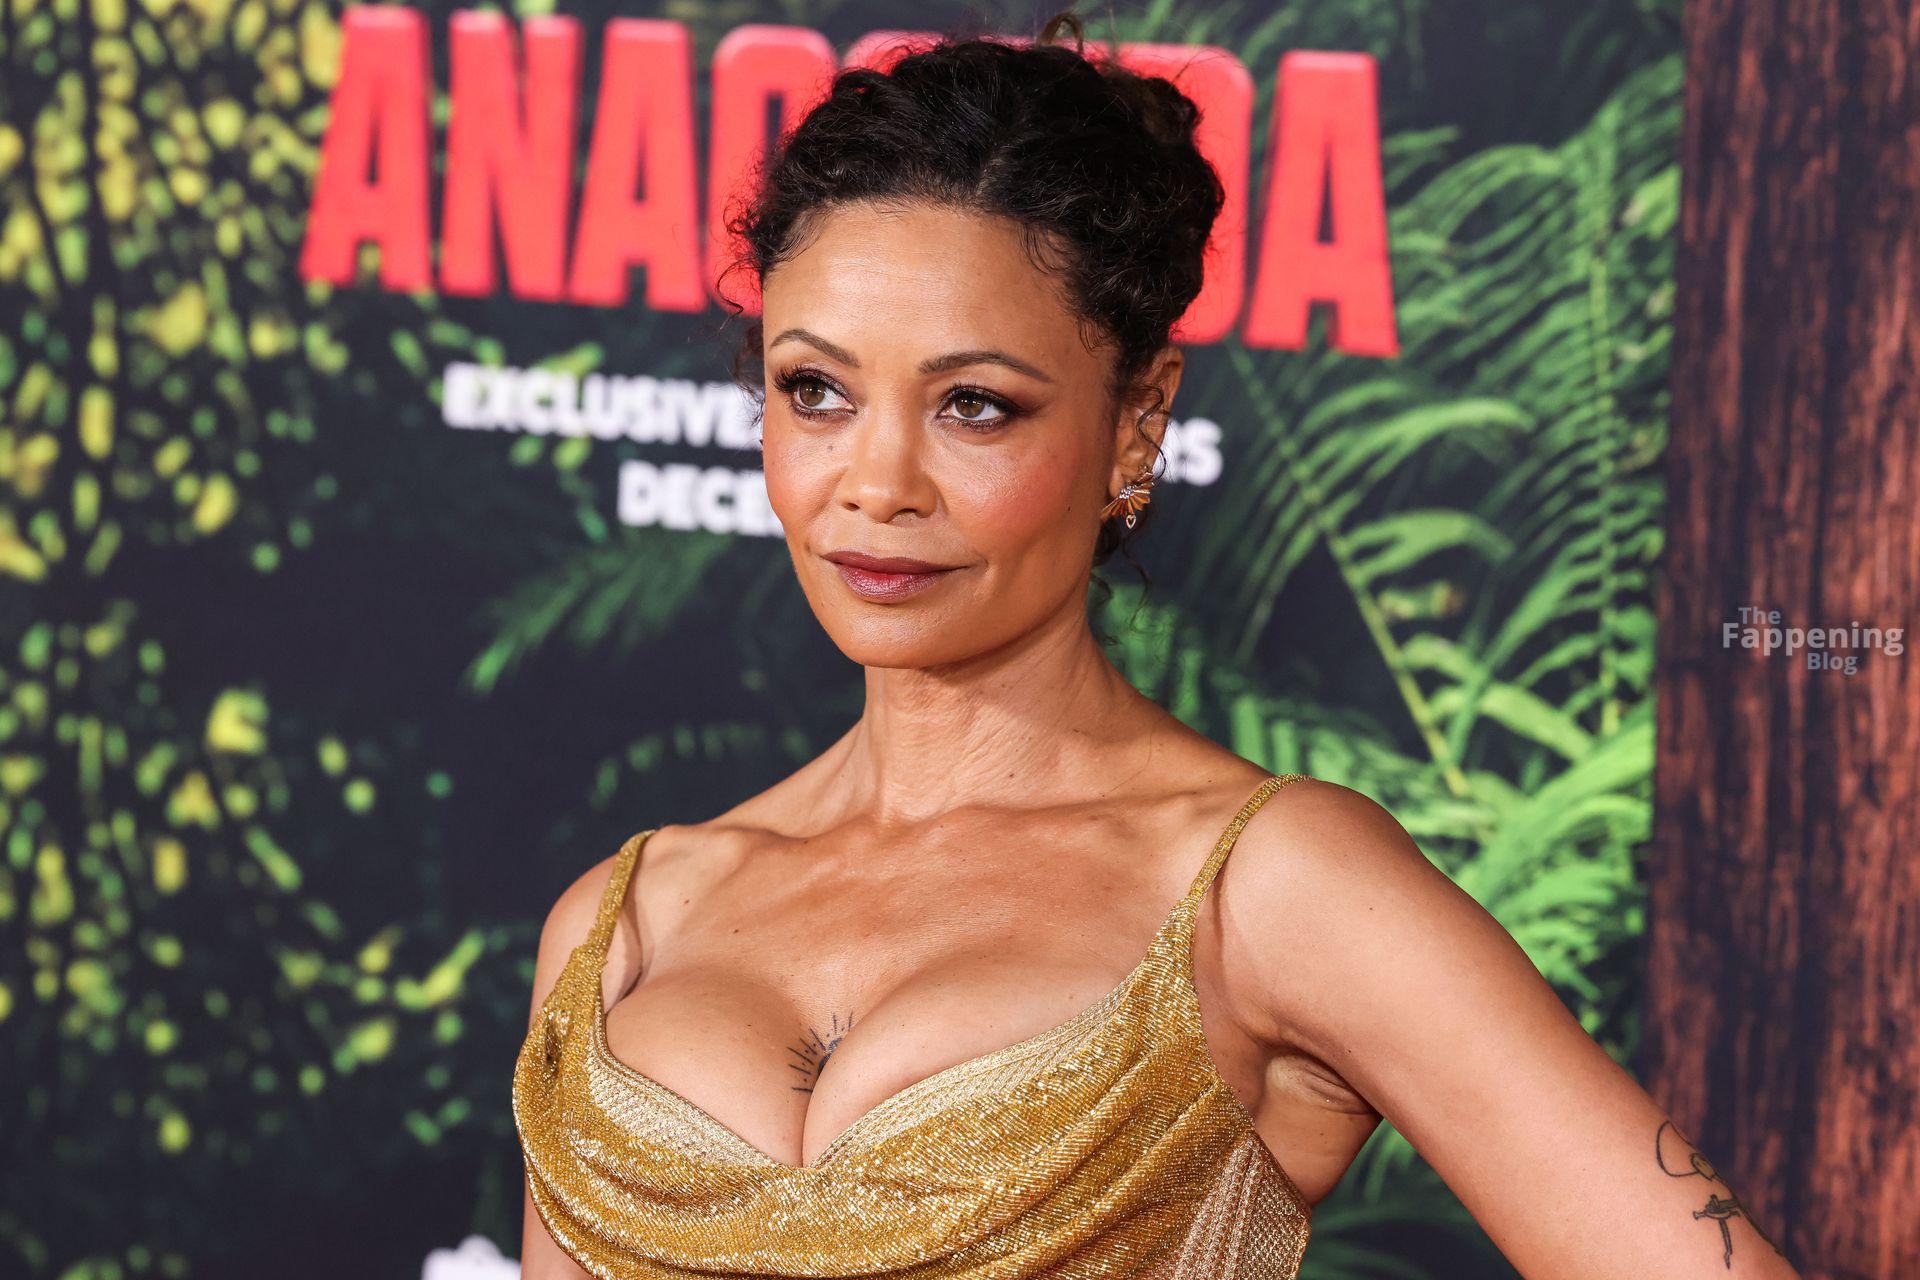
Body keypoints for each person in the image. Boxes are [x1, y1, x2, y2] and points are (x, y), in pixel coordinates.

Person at [512, 12, 1801, 1278]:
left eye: (975, 406)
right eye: (817, 392)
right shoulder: (629, 919)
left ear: (1137, 422)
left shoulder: (1271, 888)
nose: (876, 483)